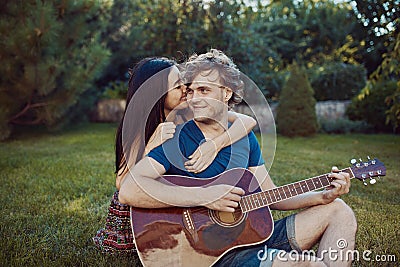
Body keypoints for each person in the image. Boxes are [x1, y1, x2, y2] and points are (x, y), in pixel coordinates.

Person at [118, 49, 357, 266]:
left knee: (339, 210)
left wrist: (321, 196)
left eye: (204, 90)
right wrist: (206, 196)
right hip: (210, 254)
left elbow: (271, 196)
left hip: (253, 237)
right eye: (190, 90)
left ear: (226, 93)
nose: (193, 98)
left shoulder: (244, 138)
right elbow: (129, 190)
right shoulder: (177, 137)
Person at [93, 56, 257, 253]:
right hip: (138, 210)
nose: (186, 91)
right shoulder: (139, 129)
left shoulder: (187, 112)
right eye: (178, 86)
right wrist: (150, 146)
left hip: (171, 200)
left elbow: (247, 121)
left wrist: (215, 144)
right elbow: (122, 184)